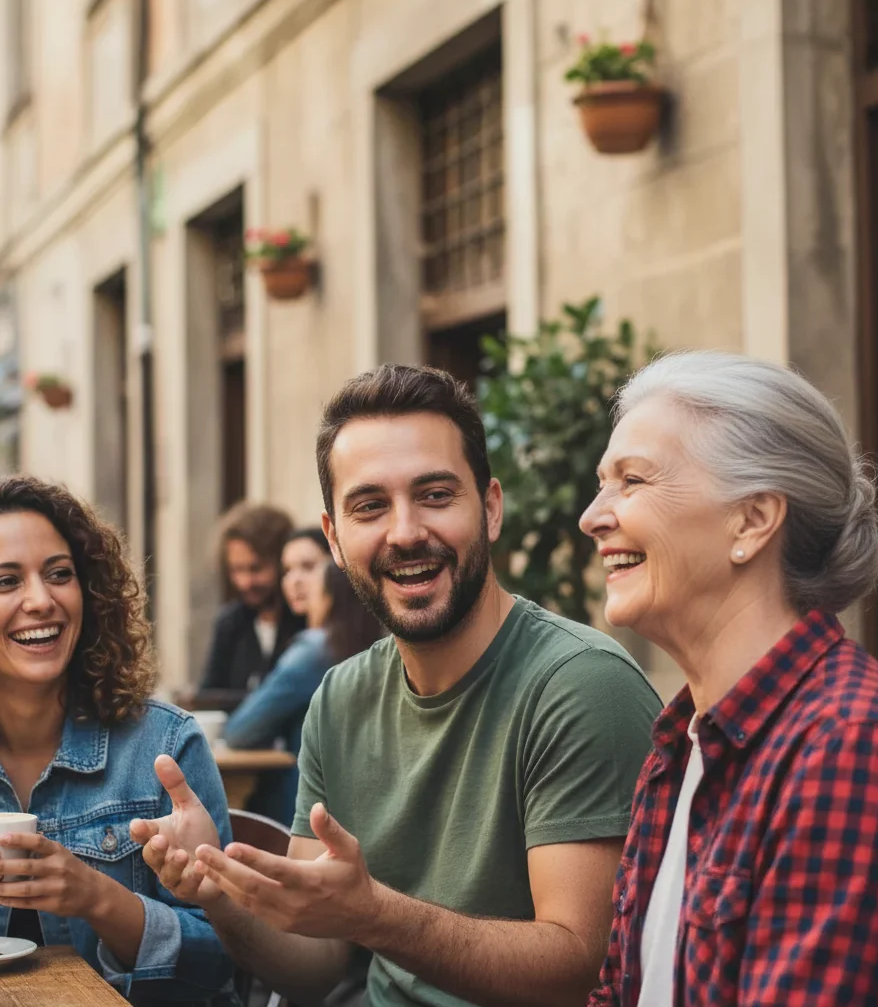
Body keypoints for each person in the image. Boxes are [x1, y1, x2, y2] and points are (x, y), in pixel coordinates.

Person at [132, 364, 663, 1007]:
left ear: (490, 509)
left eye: (436, 495)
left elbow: (584, 967)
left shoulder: (581, 685)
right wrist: (214, 891)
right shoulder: (340, 696)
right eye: (370, 507)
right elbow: (317, 964)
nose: (406, 531)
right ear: (333, 538)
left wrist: (374, 915)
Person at [577, 351, 878, 1006]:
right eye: (602, 482)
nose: (593, 515)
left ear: (752, 521)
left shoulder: (849, 742)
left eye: (632, 481)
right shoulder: (681, 737)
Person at [0, 476, 239, 1005]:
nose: (41, 600)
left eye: (59, 575)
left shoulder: (165, 744)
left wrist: (97, 898)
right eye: (5, 582)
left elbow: (224, 960)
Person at [224, 556, 382, 825]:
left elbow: (240, 731)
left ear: (331, 598)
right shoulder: (382, 651)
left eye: (314, 591)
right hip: (366, 813)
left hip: (306, 813)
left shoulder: (313, 652)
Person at [199, 503, 303, 698]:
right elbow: (208, 696)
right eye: (236, 570)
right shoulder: (230, 622)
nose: (245, 582)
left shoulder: (305, 620)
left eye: (256, 568)